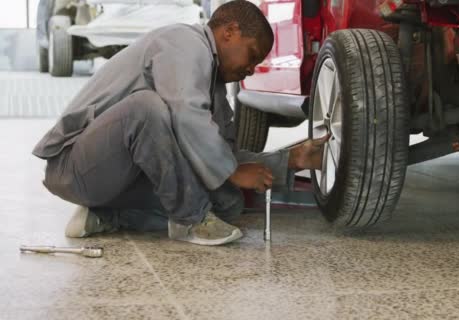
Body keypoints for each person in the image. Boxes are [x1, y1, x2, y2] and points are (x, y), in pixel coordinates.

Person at [32, 0, 327, 246]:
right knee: (145, 109)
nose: (250, 70)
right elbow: (188, 117)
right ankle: (189, 221)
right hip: (73, 165)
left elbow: (221, 155)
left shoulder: (214, 89)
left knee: (227, 201)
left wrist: (289, 159)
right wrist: (232, 171)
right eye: (251, 56)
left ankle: (110, 216)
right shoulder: (184, 43)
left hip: (118, 173)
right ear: (230, 32)